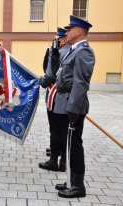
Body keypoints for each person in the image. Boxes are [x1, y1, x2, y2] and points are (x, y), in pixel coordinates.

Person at [54, 15, 95, 198]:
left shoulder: (84, 52)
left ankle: (78, 186)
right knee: (68, 145)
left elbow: (80, 83)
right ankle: (71, 180)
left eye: (70, 29)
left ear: (78, 31)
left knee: (74, 145)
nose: (67, 32)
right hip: (68, 102)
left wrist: (72, 108)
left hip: (74, 105)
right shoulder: (73, 50)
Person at [38, 28, 70, 172]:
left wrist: (41, 81)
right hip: (66, 97)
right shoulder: (71, 51)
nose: (54, 42)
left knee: (56, 130)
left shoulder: (58, 52)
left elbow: (50, 74)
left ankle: (54, 161)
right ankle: (63, 161)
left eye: (56, 39)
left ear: (61, 40)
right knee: (63, 130)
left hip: (57, 97)